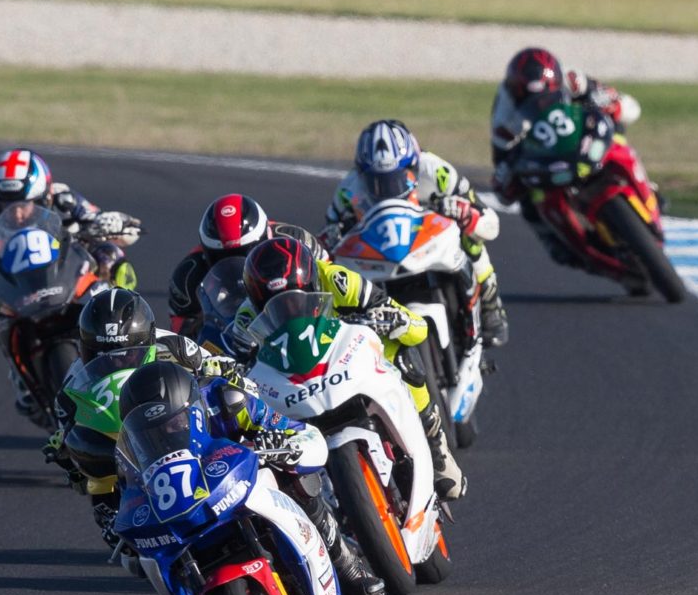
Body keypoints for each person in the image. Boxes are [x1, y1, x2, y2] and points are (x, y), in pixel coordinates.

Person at [116, 360, 386, 595]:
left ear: (193, 405)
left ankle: (350, 571)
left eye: (176, 420)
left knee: (297, 480)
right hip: (197, 510)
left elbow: (300, 432)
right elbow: (129, 491)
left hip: (250, 481)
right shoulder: (133, 451)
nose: (168, 431)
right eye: (154, 429)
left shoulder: (226, 400)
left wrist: (288, 446)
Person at [240, 237, 467, 504]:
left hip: (344, 356)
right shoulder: (244, 319)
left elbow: (417, 327)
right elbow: (233, 366)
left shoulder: (338, 281)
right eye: (276, 304)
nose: (289, 309)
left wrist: (393, 319)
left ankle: (434, 439)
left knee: (400, 348)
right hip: (292, 383)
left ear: (312, 281)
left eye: (295, 299)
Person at [0, 147, 145, 418]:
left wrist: (107, 223)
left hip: (72, 263)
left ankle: (130, 326)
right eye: (4, 206)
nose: (15, 214)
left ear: (44, 196)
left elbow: (115, 225)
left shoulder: (66, 200)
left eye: (24, 204)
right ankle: (20, 375)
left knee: (110, 255)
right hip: (31, 283)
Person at [44, 288, 248, 546]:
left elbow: (219, 366)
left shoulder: (176, 346)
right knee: (89, 459)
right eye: (101, 354)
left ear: (146, 340)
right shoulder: (71, 387)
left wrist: (221, 369)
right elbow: (73, 446)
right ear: (85, 348)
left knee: (229, 405)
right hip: (127, 441)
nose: (117, 363)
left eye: (127, 353)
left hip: (178, 419)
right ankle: (115, 522)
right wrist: (66, 452)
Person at [322, 119, 508, 348]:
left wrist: (464, 212)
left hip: (431, 236)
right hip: (382, 252)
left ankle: (490, 301)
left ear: (414, 165)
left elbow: (490, 222)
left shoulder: (439, 173)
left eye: (399, 177)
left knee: (471, 237)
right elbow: (329, 238)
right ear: (362, 174)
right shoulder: (348, 190)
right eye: (377, 181)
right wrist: (331, 235)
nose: (389, 187)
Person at [490, 47, 644, 268]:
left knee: (618, 124)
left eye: (545, 96)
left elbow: (626, 104)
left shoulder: (571, 79)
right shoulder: (505, 114)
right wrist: (507, 174)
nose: (539, 102)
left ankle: (644, 185)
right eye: (531, 98)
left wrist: (611, 101)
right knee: (528, 202)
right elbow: (502, 161)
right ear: (517, 91)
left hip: (581, 135)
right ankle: (557, 243)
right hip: (546, 157)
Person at [168, 193, 328, 339]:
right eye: (221, 256)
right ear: (206, 251)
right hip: (235, 339)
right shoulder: (187, 276)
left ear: (266, 236)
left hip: (298, 317)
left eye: (246, 252)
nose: (234, 264)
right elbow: (180, 338)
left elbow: (329, 276)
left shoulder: (297, 241)